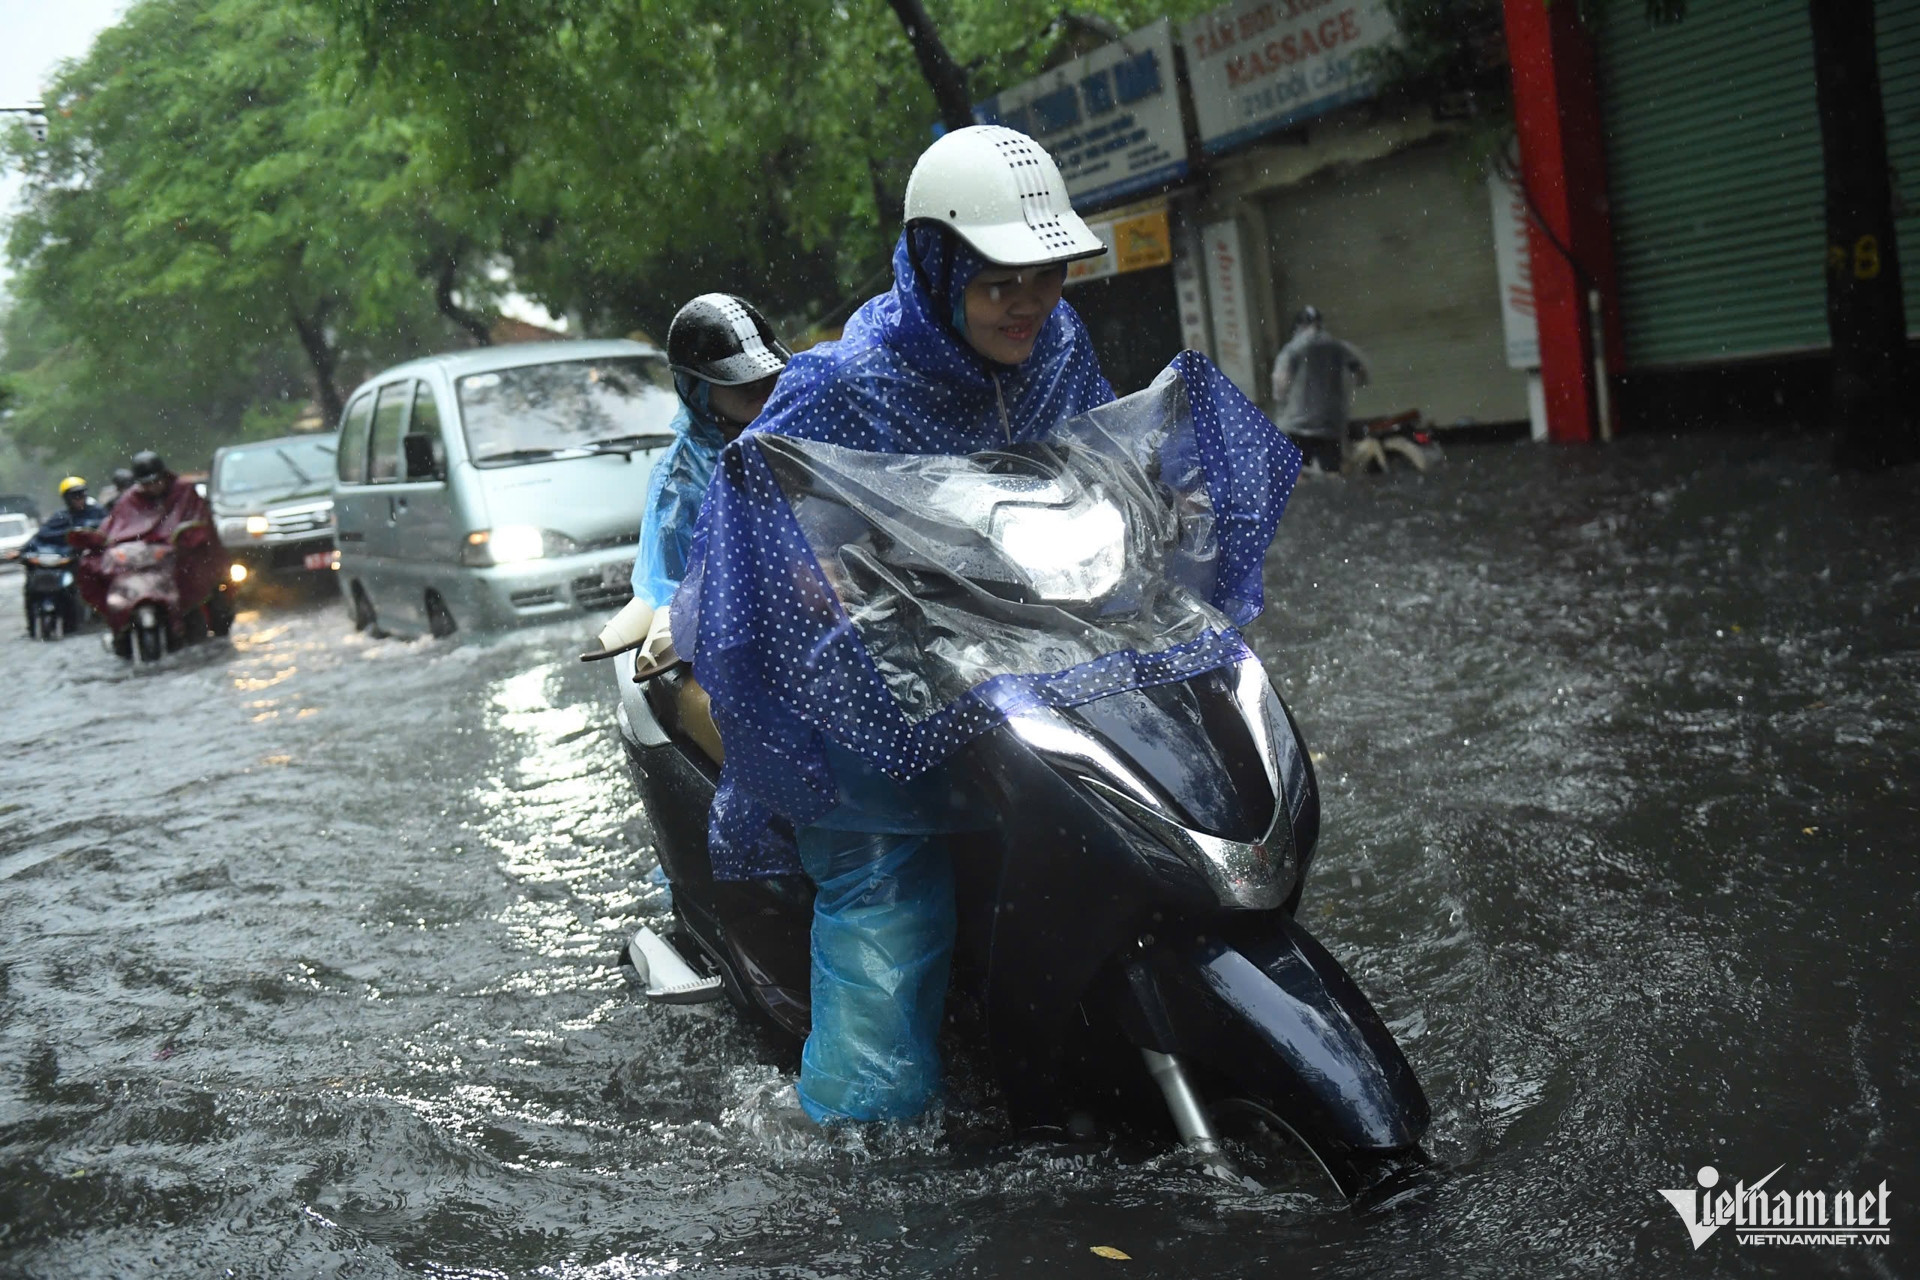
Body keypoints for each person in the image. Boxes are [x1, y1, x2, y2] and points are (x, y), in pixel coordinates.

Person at [675, 125, 1117, 1127]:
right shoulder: (844, 383)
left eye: (1046, 271)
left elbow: (1102, 467)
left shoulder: (1061, 349)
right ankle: (854, 1135)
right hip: (869, 694)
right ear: (935, 262)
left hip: (1032, 663)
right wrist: (823, 578)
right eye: (999, 276)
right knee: (893, 896)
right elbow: (750, 515)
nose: (1029, 300)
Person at [581, 293, 790, 761]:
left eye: (767, 378)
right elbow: (680, 587)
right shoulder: (683, 482)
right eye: (743, 384)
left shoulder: (797, 435)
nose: (761, 390)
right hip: (737, 641)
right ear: (696, 390)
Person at [78, 450, 230, 645]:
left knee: (212, 599)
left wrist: (186, 540)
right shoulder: (129, 499)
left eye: (156, 481)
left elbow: (199, 522)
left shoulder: (183, 492)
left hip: (181, 563)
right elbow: (113, 529)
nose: (152, 487)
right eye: (146, 484)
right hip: (143, 565)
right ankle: (120, 630)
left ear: (164, 477)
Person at [1268, 306, 1369, 472]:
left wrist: (1282, 405)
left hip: (1298, 424)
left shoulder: (1293, 349)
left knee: (1298, 474)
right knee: (1332, 472)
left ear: (1298, 326)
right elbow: (1361, 374)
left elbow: (1280, 384)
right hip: (1330, 423)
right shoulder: (1338, 347)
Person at [10, 477, 106, 633]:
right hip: (66, 561)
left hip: (91, 561)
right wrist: (22, 552)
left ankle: (99, 614)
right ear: (66, 499)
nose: (79, 499)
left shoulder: (97, 514)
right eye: (74, 496)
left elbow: (108, 535)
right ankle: (33, 625)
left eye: (81, 495)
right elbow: (41, 536)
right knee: (32, 584)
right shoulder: (60, 517)